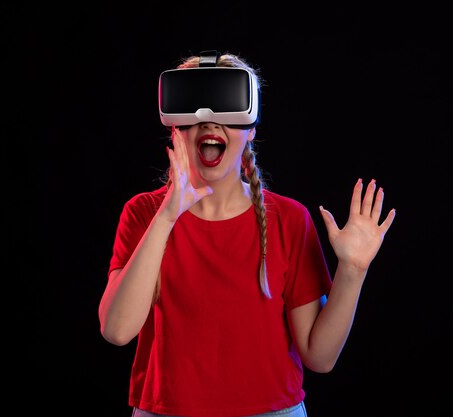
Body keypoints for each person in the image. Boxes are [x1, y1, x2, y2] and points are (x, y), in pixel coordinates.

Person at [98, 51, 396, 417]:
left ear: (251, 128)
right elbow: (117, 331)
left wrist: (352, 270)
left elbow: (320, 357)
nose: (209, 123)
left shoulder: (288, 219)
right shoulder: (144, 213)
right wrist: (167, 216)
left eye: (226, 109)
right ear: (175, 128)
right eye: (193, 112)